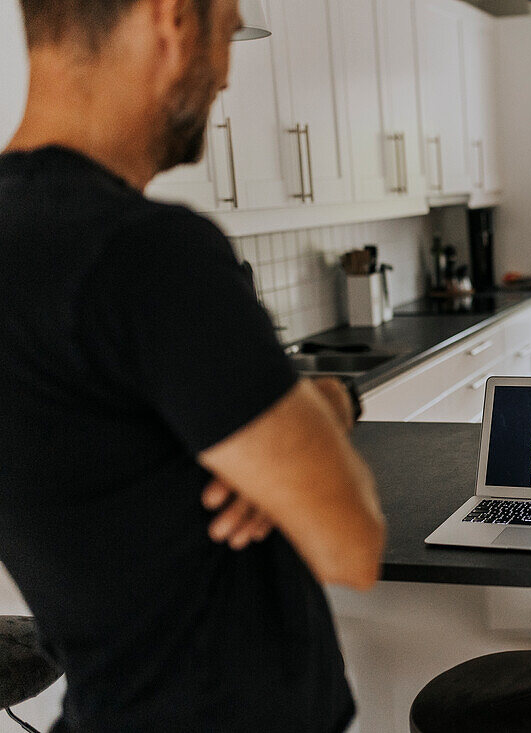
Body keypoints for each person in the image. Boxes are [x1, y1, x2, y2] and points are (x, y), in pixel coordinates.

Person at [0, 1, 386, 731]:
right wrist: (320, 415)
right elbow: (350, 542)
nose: (228, 76)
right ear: (174, 21)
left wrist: (312, 418)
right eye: (228, 29)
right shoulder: (143, 253)